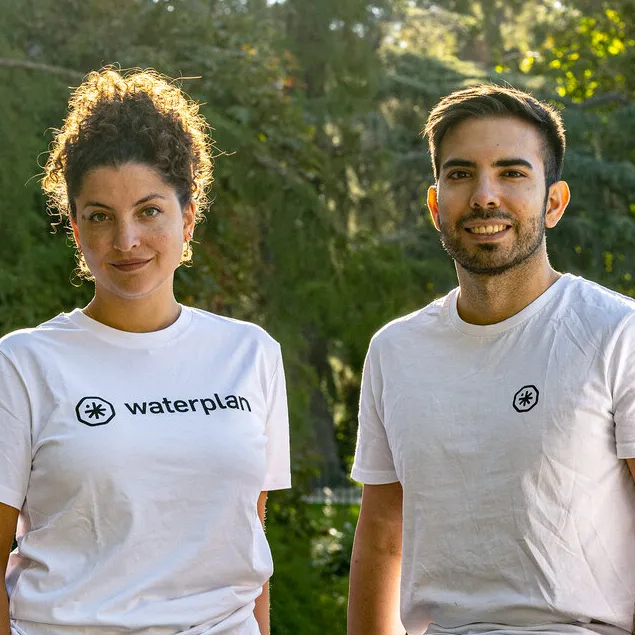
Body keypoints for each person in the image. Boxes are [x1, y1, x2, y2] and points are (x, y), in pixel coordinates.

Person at [0, 68, 291, 635]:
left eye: (149, 211)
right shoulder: (22, 365)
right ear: (77, 229)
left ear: (188, 217)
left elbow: (247, 547)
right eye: (100, 217)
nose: (125, 240)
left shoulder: (250, 355)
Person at [347, 84, 635, 635]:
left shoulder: (618, 333)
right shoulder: (395, 350)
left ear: (554, 202)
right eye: (460, 174)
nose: (484, 195)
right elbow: (383, 536)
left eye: (512, 173)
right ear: (435, 205)